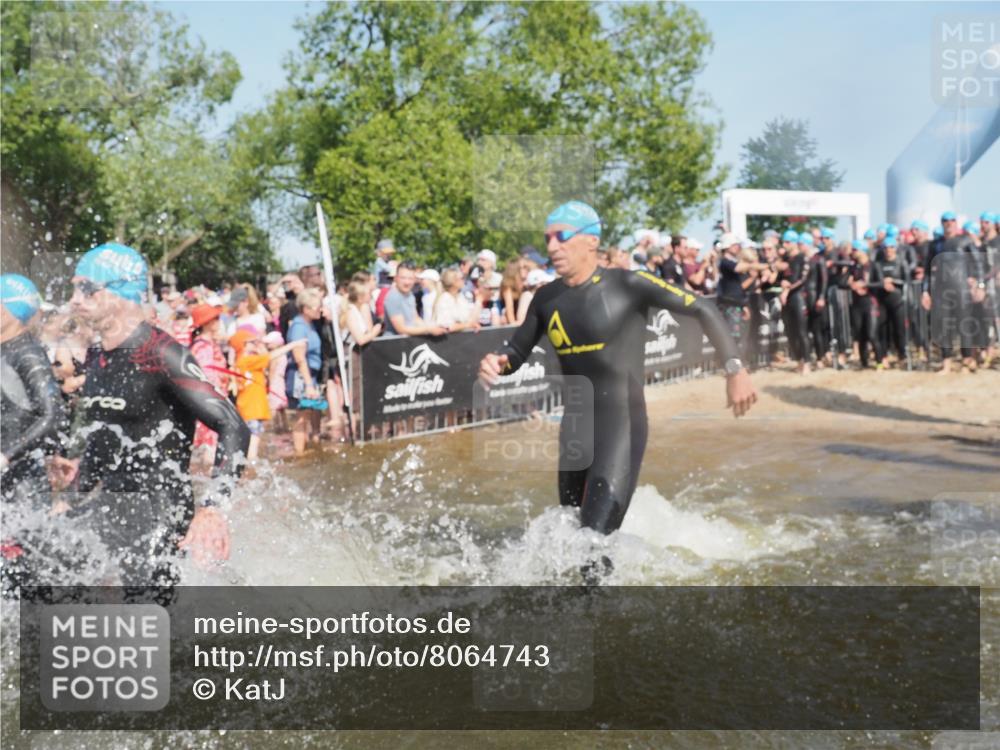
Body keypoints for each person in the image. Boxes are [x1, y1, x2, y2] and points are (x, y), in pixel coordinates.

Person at [478, 201, 756, 548]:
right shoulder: (546, 299)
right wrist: (499, 360)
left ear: (590, 241)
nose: (551, 247)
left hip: (621, 425)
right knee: (569, 536)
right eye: (548, 238)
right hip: (575, 431)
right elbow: (517, 351)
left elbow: (702, 307)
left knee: (593, 541)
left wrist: (735, 369)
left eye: (561, 237)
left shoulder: (628, 284)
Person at [51, 244, 250, 587]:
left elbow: (233, 424)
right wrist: (70, 498)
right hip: (112, 508)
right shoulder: (99, 356)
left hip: (161, 515)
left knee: (148, 625)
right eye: (73, 289)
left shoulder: (161, 353)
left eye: (86, 289)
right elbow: (104, 439)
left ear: (121, 293)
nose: (74, 299)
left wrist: (213, 507)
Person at [1, 274, 69, 596]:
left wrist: (6, 454)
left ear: (6, 311)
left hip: (21, 488)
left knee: (22, 580)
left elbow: (54, 415)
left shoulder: (27, 354)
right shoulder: (6, 349)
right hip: (8, 481)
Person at [230, 328, 307, 461]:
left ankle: (248, 466)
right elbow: (271, 356)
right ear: (243, 345)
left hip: (248, 408)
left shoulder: (242, 361)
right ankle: (251, 468)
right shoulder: (248, 361)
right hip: (252, 409)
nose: (255, 344)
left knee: (250, 441)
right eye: (251, 342)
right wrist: (293, 345)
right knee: (253, 444)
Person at [188, 303, 230, 473]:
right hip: (210, 404)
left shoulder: (205, 344)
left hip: (208, 403)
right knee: (209, 455)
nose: (220, 322)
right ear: (208, 323)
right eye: (217, 319)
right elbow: (206, 377)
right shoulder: (203, 346)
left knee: (208, 453)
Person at [286, 288, 326, 455]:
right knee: (301, 415)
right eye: (317, 307)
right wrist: (309, 383)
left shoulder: (309, 324)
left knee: (310, 411)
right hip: (300, 376)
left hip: (310, 374)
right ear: (306, 308)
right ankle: (299, 453)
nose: (320, 310)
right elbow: (299, 357)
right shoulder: (299, 327)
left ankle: (309, 446)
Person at [383, 262, 448, 337]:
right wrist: (429, 330)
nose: (407, 282)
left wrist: (432, 327)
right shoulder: (393, 297)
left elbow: (415, 319)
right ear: (396, 278)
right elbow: (401, 329)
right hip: (393, 344)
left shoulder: (410, 295)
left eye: (410, 278)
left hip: (409, 342)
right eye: (403, 278)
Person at [779, 230, 812, 374]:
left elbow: (802, 278)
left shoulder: (802, 258)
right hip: (786, 299)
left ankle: (807, 362)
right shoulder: (785, 259)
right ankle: (799, 360)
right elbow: (780, 277)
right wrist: (781, 282)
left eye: (787, 242)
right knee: (790, 332)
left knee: (801, 331)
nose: (784, 245)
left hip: (798, 297)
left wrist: (787, 288)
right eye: (783, 242)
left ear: (793, 243)